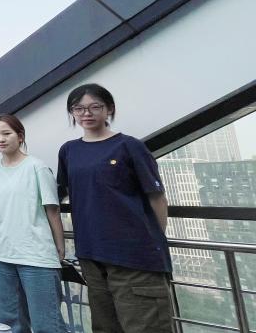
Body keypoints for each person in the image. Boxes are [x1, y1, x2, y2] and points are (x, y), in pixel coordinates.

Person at [57, 83, 172, 332]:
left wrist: (154, 240)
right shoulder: (69, 150)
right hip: (91, 254)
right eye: (78, 108)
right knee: (105, 327)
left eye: (94, 107)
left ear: (109, 109)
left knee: (144, 326)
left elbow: (157, 198)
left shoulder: (129, 146)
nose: (86, 114)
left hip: (134, 256)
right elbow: (63, 193)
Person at [0, 114, 68, 333]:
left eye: (7, 133)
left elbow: (52, 210)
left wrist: (60, 246)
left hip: (36, 254)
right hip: (3, 254)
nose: (1, 139)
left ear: (20, 136)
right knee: (9, 323)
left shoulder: (37, 167)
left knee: (46, 323)